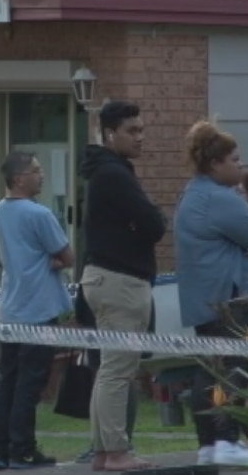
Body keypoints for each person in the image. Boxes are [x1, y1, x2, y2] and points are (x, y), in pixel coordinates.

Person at [174, 120, 248, 467]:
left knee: (210, 369)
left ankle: (210, 443)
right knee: (230, 369)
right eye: (235, 159)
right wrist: (247, 244)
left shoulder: (192, 194)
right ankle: (227, 439)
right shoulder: (221, 199)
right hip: (231, 299)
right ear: (215, 163)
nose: (240, 165)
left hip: (204, 297)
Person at [78, 100, 166, 472]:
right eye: (132, 131)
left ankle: (103, 450)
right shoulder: (114, 174)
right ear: (110, 133)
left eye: (142, 130)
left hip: (103, 277)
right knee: (118, 369)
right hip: (120, 282)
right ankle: (115, 451)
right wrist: (151, 217)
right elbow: (153, 224)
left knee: (109, 369)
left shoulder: (104, 171)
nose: (140, 137)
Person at [0, 151, 75, 471]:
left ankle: (0, 448)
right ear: (18, 178)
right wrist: (48, 263)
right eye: (36, 171)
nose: (41, 176)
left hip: (10, 307)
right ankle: (22, 449)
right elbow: (68, 257)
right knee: (31, 383)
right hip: (38, 309)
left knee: (9, 380)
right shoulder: (40, 215)